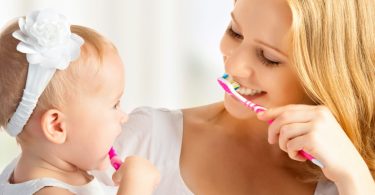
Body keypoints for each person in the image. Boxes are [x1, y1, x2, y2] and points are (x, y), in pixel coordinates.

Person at [96, 0, 375, 194]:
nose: (234, 65)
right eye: (235, 32)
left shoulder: (344, 176)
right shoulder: (146, 139)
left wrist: (356, 178)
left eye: (269, 58)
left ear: (327, 75)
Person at [0, 9, 160, 195]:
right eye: (114, 105)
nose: (123, 117)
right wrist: (137, 185)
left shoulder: (19, 170)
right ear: (57, 126)